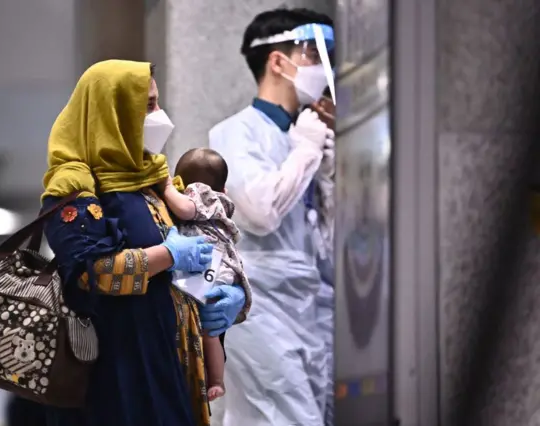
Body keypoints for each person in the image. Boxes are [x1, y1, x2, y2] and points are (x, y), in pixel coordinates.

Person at [41, 60, 247, 426]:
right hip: (118, 371)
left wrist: (231, 300)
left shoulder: (152, 180)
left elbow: (207, 245)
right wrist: (168, 254)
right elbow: (93, 272)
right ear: (113, 112)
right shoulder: (74, 187)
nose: (160, 115)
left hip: (171, 361)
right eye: (148, 105)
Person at [208, 8, 336, 426]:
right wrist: (306, 152)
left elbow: (329, 238)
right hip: (259, 306)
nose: (325, 69)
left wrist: (330, 174)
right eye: (315, 56)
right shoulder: (233, 133)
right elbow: (260, 212)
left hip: (310, 305)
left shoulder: (305, 135)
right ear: (277, 61)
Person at [160, 147, 252, 402]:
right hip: (215, 269)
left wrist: (167, 188)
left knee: (208, 330)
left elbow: (187, 210)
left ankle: (216, 381)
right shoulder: (220, 202)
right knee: (210, 333)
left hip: (207, 270)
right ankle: (217, 380)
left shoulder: (199, 194)